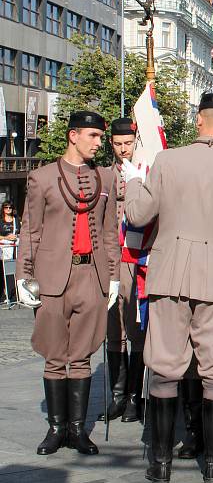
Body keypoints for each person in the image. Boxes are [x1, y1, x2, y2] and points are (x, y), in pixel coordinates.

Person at [123, 92, 213, 483]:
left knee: (165, 368)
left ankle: (160, 461)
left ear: (199, 120)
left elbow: (138, 213)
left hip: (170, 275)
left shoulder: (168, 161)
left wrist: (134, 183)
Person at [16, 111, 120, 456]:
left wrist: (114, 277)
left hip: (91, 275)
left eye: (100, 137)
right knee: (53, 355)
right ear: (73, 135)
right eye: (92, 135)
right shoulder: (42, 177)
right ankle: (56, 428)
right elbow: (30, 231)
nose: (98, 142)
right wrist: (23, 276)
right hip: (51, 275)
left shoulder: (106, 178)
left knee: (82, 356)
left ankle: (77, 429)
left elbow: (108, 233)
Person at [103, 118, 148, 424]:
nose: (123, 150)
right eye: (117, 145)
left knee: (135, 329)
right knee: (113, 329)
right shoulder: (103, 176)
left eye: (128, 144)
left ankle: (134, 396)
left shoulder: (145, 173)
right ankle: (117, 396)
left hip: (136, 258)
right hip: (110, 258)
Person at [1, 201, 20, 301]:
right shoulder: (0, 220)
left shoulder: (16, 220)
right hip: (3, 249)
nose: (8, 209)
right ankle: (3, 294)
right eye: (6, 207)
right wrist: (6, 237)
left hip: (14, 248)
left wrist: (16, 236)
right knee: (3, 271)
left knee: (11, 271)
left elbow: (20, 232)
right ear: (3, 209)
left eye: (10, 207)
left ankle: (12, 294)